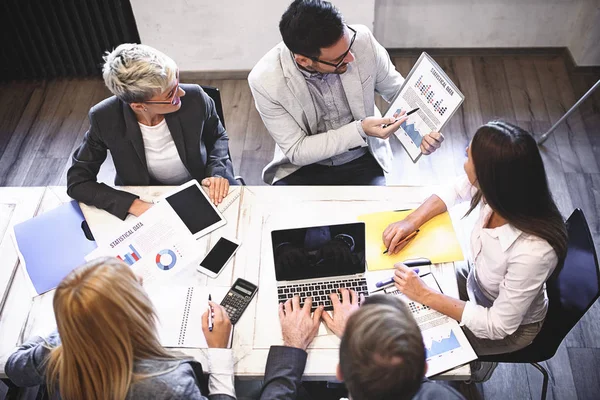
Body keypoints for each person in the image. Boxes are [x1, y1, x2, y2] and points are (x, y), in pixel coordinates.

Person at [384, 121, 568, 379]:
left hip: (506, 327)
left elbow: (497, 325)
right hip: (477, 285)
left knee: (405, 348)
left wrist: (425, 295)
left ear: (488, 177)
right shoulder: (503, 189)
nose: (464, 161)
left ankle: (471, 372)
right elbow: (454, 189)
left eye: (468, 156)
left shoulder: (533, 252)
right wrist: (410, 221)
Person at [249, 0, 443, 186]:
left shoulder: (362, 39)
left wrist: (424, 132)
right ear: (304, 61)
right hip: (302, 168)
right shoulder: (265, 81)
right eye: (339, 58)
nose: (351, 58)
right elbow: (297, 150)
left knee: (375, 218)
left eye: (348, 47)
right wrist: (360, 130)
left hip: (364, 156)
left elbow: (397, 91)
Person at [5, 258, 236, 399]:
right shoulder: (170, 385)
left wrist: (71, 326)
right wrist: (219, 354)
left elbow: (14, 368)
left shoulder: (55, 352)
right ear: (136, 314)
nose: (142, 279)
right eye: (138, 287)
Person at [67, 44, 237, 220]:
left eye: (176, 80)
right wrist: (134, 205)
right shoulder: (104, 118)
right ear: (139, 106)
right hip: (147, 197)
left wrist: (216, 172)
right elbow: (78, 182)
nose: (182, 92)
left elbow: (218, 136)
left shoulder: (196, 97)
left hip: (204, 186)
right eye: (171, 94)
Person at [258, 289, 464, 399]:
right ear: (424, 369)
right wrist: (357, 335)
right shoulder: (444, 396)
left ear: (341, 373)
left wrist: (293, 344)